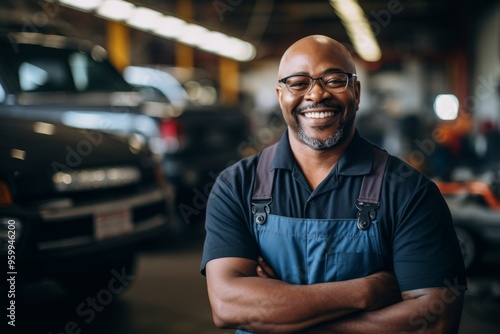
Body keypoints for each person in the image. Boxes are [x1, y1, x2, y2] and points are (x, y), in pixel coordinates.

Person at [200, 35, 467, 333]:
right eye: (299, 82)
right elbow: (227, 306)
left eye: (334, 80)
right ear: (280, 96)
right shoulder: (236, 185)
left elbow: (433, 322)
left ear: (356, 91)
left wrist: (278, 316)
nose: (316, 94)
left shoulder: (409, 191)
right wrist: (365, 292)